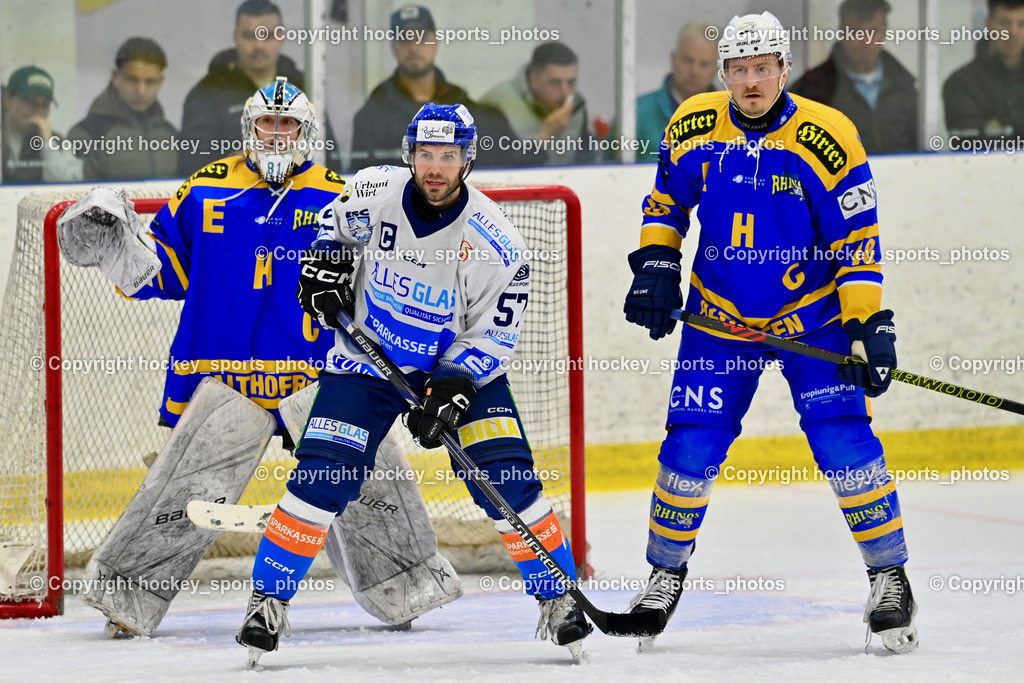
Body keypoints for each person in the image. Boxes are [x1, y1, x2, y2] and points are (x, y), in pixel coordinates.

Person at [56, 78, 459, 638]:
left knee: (360, 476)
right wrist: (115, 245)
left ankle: (403, 584)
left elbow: (380, 281)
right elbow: (164, 272)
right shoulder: (205, 189)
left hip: (318, 372)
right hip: (221, 374)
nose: (275, 134)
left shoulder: (343, 195)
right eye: (266, 124)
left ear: (305, 133)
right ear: (249, 128)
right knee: (185, 491)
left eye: (286, 124)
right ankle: (127, 597)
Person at [236, 102, 592, 666]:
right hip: (367, 364)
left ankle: (559, 597)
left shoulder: (497, 244)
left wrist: (450, 391)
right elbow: (334, 231)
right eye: (425, 155)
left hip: (457, 370)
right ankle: (266, 603)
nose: (435, 167)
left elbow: (492, 338)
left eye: (448, 156)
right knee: (321, 476)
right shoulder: (372, 193)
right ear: (409, 154)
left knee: (505, 476)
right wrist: (325, 267)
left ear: (467, 160)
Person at [622, 11, 918, 654]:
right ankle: (662, 577)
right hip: (716, 319)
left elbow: (856, 242)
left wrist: (867, 326)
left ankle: (890, 577)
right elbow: (666, 203)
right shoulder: (694, 123)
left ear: (785, 68)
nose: (752, 82)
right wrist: (656, 266)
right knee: (690, 449)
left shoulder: (828, 134)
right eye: (739, 70)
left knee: (843, 440)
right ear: (723, 72)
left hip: (811, 318)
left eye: (764, 69)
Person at [179, 0, 340, 173]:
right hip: (232, 197)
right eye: (249, 36)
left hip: (296, 196)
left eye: (268, 36)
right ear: (236, 37)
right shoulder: (206, 94)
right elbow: (191, 168)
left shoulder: (304, 88)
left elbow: (329, 158)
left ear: (282, 37)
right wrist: (233, 163)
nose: (258, 45)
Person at [350, 5, 521, 167]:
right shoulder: (372, 116)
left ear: (436, 43)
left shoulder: (462, 104)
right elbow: (363, 182)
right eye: (404, 39)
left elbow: (505, 167)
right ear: (393, 47)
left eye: (422, 38)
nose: (414, 47)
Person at [790, 0, 918, 154]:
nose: (865, 41)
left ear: (885, 31)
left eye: (873, 31)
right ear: (841, 32)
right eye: (856, 32)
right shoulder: (810, 89)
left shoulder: (905, 86)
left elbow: (918, 153)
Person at [67, 37, 178, 180]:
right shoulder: (87, 134)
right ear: (116, 77)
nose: (140, 91)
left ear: (161, 81)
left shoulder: (170, 134)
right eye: (132, 80)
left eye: (150, 82)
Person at [481, 41, 595, 165]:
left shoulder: (576, 109)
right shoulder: (498, 106)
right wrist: (544, 138)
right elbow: (496, 168)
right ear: (534, 80)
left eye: (571, 83)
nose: (566, 93)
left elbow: (587, 163)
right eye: (555, 83)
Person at [634, 22, 718, 161]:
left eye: (704, 64)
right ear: (673, 60)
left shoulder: (733, 117)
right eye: (688, 60)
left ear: (716, 69)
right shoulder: (638, 113)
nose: (695, 71)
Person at [943, 0, 1024, 139]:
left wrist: (1000, 125)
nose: (1013, 32)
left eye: (1022, 24)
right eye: (1005, 23)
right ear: (989, 25)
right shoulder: (961, 82)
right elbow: (966, 141)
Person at [2, 66, 82, 183]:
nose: (38, 111)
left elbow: (70, 185)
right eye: (30, 102)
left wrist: (49, 145)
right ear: (8, 99)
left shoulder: (57, 141)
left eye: (44, 105)